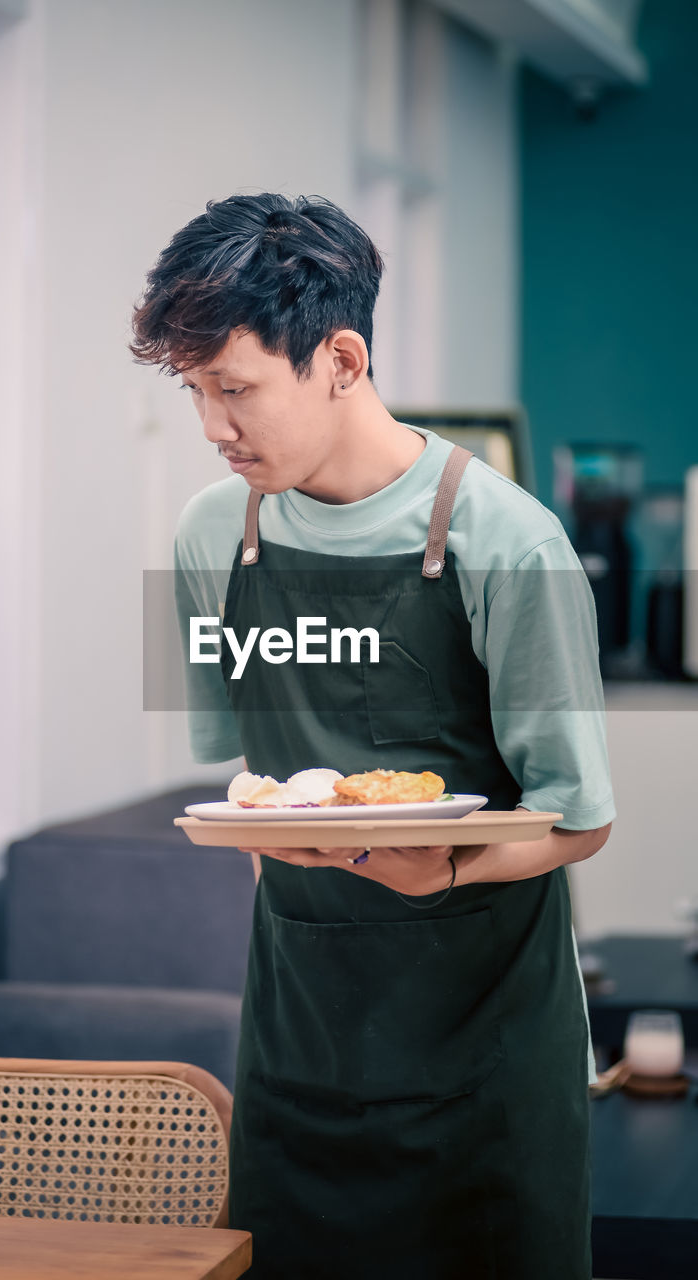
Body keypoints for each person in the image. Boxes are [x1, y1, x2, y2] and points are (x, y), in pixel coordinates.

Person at [131, 192, 615, 1279]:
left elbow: (579, 821)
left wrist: (437, 872)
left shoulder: (511, 540)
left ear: (340, 358)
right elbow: (240, 775)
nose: (214, 426)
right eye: (195, 391)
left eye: (235, 388)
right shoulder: (207, 531)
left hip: (480, 1060)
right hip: (298, 1049)